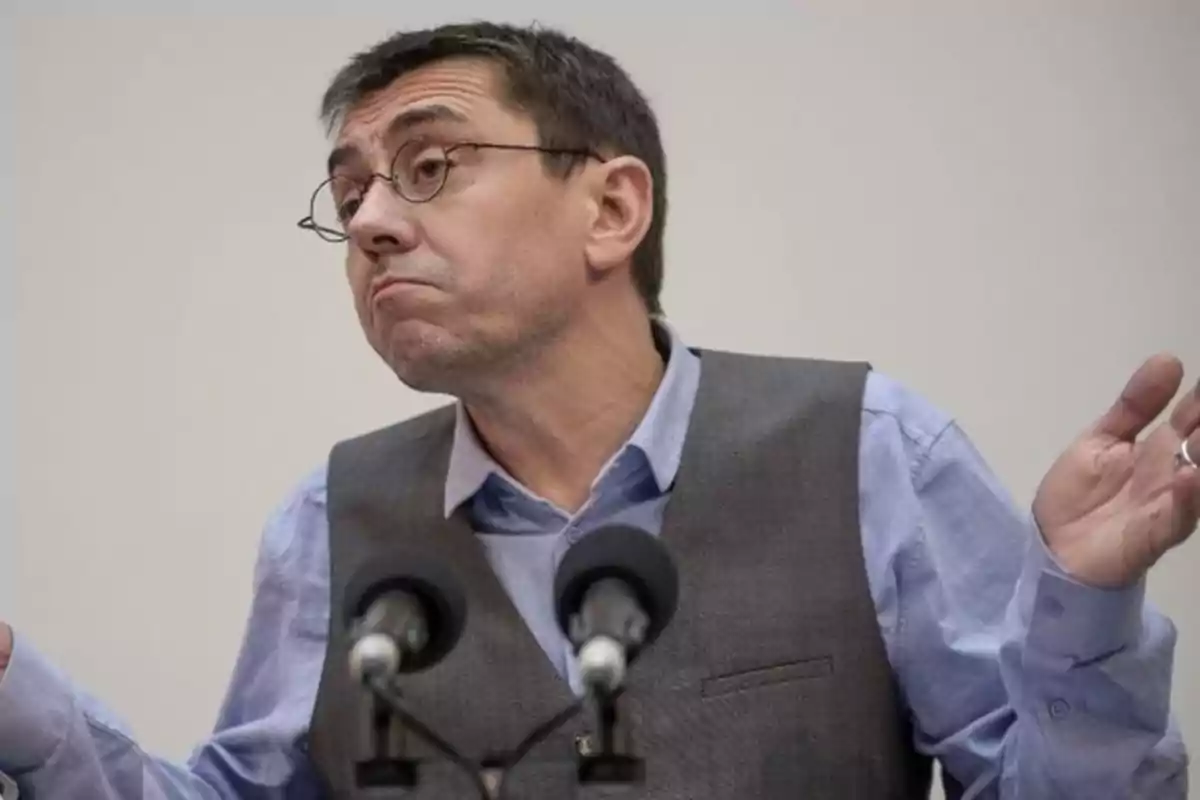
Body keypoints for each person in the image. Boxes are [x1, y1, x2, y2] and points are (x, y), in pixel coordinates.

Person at [0, 20, 1195, 799]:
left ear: (612, 209)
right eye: (351, 191)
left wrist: (1084, 609)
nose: (367, 222)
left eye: (428, 166)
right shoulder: (329, 518)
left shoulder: (871, 451)